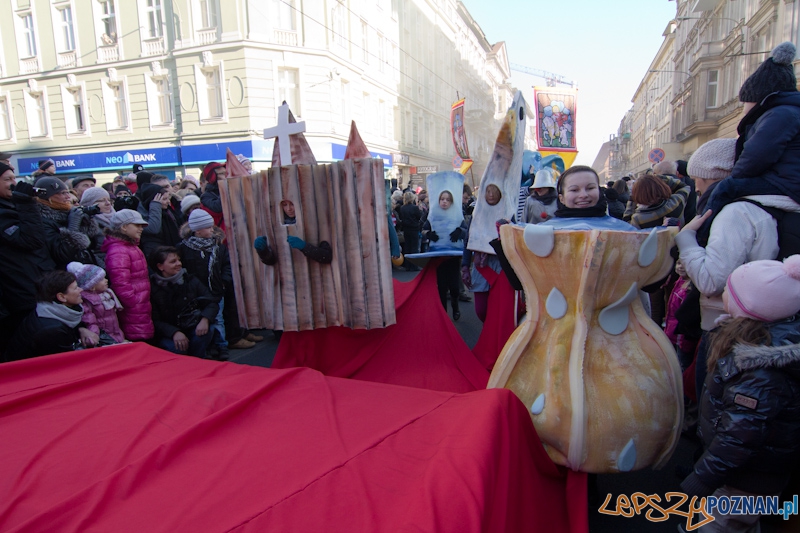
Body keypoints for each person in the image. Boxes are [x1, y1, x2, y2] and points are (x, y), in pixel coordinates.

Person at [681, 256, 800, 532]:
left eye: (729, 291)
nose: (722, 294)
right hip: (748, 476)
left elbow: (739, 436)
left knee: (720, 525)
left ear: (748, 307)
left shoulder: (760, 371)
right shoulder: (761, 340)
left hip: (745, 481)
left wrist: (702, 478)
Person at [674, 137, 800, 399]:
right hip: (781, 330)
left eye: (700, 183)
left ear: (716, 175)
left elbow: (711, 281)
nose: (697, 189)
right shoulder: (784, 202)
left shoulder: (738, 211)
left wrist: (686, 242)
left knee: (719, 408)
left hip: (733, 329)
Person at [701, 42, 800, 219]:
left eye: (746, 101)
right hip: (788, 181)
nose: (744, 107)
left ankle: (699, 234)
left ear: (759, 97)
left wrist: (736, 177)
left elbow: (757, 155)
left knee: (724, 188)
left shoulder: (780, 114)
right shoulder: (787, 111)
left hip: (788, 185)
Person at [179, 210, 260, 355]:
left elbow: (226, 266)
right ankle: (209, 346)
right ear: (197, 230)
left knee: (218, 318)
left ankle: (221, 345)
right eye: (208, 227)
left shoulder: (218, 247)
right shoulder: (184, 248)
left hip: (216, 288)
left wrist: (223, 282)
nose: (212, 229)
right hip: (195, 291)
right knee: (201, 318)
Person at [0, 164, 57, 353]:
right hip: (19, 295)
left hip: (36, 286)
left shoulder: (12, 205)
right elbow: (31, 240)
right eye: (6, 179)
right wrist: (26, 204)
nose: (13, 184)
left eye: (13, 178)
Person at [4, 270, 100, 361]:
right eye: (75, 288)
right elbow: (66, 361)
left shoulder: (47, 310)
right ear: (62, 297)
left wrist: (81, 329)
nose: (81, 290)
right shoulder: (52, 330)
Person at [149, 246, 219, 358]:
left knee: (206, 332)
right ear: (160, 266)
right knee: (176, 348)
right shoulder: (153, 289)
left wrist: (205, 319)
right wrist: (174, 332)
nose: (179, 264)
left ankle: (199, 362)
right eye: (173, 262)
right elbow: (154, 320)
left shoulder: (191, 280)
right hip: (169, 333)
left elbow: (211, 302)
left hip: (192, 326)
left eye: (179, 260)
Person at [101, 209, 154, 341]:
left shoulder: (129, 247)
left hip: (141, 305)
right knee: (139, 342)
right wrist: (134, 302)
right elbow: (120, 283)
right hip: (134, 309)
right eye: (137, 225)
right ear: (124, 227)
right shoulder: (119, 251)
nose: (141, 229)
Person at [541, 165, 636, 230]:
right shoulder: (540, 233)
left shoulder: (624, 230)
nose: (583, 195)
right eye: (574, 190)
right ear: (561, 198)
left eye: (590, 188)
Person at [66, 261, 126, 344]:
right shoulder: (87, 301)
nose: (106, 280)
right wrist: (95, 337)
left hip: (115, 332)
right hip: (104, 337)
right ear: (92, 287)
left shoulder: (107, 294)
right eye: (101, 279)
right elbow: (90, 322)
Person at [426, 190, 465, 320]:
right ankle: (443, 315)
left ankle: (455, 305)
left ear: (451, 202)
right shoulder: (432, 215)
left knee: (454, 287)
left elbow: (466, 230)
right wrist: (428, 234)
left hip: (453, 257)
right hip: (438, 258)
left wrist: (460, 231)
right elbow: (424, 228)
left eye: (448, 199)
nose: (444, 201)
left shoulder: (457, 215)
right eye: (442, 199)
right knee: (441, 287)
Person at [625, 174, 690, 229]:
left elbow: (628, 229)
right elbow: (684, 186)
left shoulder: (638, 219)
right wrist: (659, 178)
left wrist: (632, 198)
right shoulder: (676, 202)